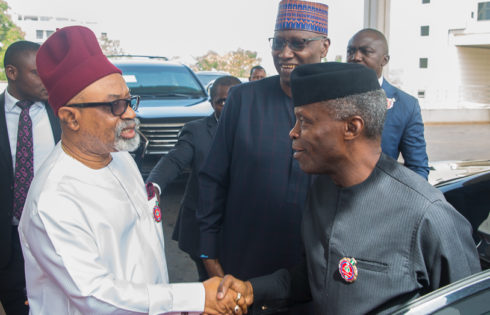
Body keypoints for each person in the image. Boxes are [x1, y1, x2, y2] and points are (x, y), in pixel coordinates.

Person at [217, 62, 481, 314]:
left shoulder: (428, 216)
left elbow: (471, 304)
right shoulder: (322, 191)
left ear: (352, 127)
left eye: (304, 121)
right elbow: (318, 278)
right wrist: (252, 290)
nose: (292, 132)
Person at [18, 26, 246, 315]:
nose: (130, 114)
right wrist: (196, 297)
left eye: (129, 100)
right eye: (115, 105)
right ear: (71, 118)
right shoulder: (53, 200)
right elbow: (95, 296)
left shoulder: (119, 156)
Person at [197, 0, 328, 313]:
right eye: (278, 42)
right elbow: (213, 178)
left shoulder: (337, 105)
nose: (284, 53)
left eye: (298, 43)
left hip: (311, 277)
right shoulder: (243, 99)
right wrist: (209, 254)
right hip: (241, 266)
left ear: (324, 46)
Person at [147, 75, 241, 282]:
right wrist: (153, 186)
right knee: (210, 284)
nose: (228, 106)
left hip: (241, 229)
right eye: (221, 101)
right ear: (212, 103)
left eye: (233, 100)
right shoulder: (196, 131)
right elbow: (174, 160)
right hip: (201, 228)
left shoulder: (256, 130)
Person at [0, 41, 61, 315]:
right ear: (12, 72)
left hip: (57, 234)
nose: (46, 79)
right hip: (8, 243)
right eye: (37, 72)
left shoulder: (64, 114)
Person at [347, 28, 429, 179]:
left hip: (381, 199)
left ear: (384, 60)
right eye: (351, 51)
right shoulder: (329, 97)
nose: (356, 57)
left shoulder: (406, 105)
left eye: (366, 51)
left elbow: (418, 168)